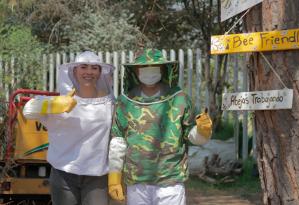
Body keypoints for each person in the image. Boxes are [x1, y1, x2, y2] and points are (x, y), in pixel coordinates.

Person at [108, 49, 212, 205]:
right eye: (144, 67)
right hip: (136, 181)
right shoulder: (125, 101)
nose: (149, 71)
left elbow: (191, 136)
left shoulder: (179, 99)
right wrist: (114, 177)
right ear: (135, 70)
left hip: (170, 181)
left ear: (164, 69)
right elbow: (118, 141)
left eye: (154, 67)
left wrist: (203, 131)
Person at [23, 51, 115, 205]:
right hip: (63, 173)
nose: (89, 72)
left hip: (97, 176)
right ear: (74, 71)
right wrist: (50, 105)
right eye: (83, 67)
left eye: (94, 68)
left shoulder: (110, 104)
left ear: (100, 73)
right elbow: (28, 111)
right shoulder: (59, 102)